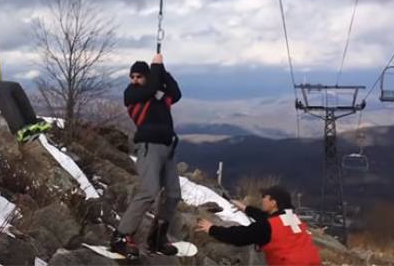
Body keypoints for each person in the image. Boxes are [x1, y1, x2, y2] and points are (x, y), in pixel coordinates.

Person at [110, 53, 182, 258]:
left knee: (174, 194)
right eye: (132, 76)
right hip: (148, 147)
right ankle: (120, 236)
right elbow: (150, 88)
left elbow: (176, 93)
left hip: (167, 148)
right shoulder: (132, 94)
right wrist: (154, 67)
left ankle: (158, 237)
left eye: (139, 76)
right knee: (149, 191)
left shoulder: (157, 93)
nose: (135, 80)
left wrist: (162, 69)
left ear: (147, 76)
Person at [194, 185, 321, 266]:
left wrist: (212, 229)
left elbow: (240, 236)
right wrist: (246, 208)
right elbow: (268, 219)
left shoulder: (266, 227)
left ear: (273, 202)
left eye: (264, 197)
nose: (262, 199)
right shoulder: (292, 218)